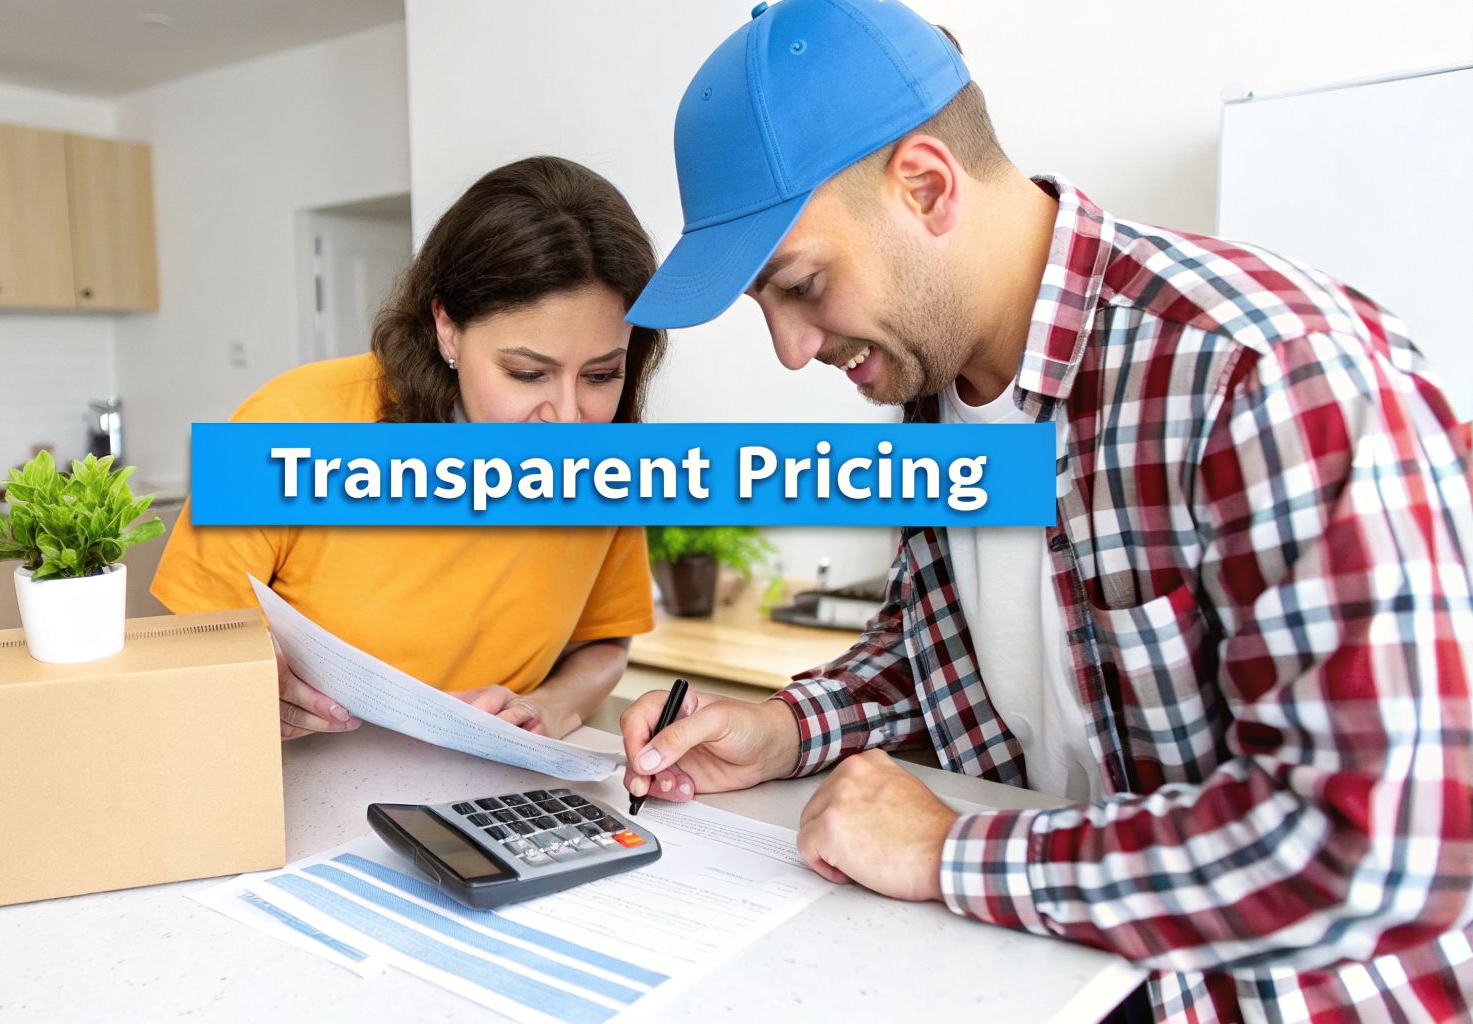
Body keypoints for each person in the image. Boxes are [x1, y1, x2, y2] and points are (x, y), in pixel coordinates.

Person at [619, 2, 1473, 1021]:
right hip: (1062, 977)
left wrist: (948, 850)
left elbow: (1374, 841)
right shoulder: (929, 405)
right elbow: (942, 657)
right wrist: (778, 726)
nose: (791, 350)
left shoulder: (1262, 373)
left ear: (926, 187)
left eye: (799, 285)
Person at [154, 156, 664, 741]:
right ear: (447, 327)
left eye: (601, 376)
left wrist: (549, 705)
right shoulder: (289, 422)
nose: (568, 420)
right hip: (298, 780)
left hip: (488, 791)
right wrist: (245, 682)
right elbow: (183, 639)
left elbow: (605, 641)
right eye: (527, 373)